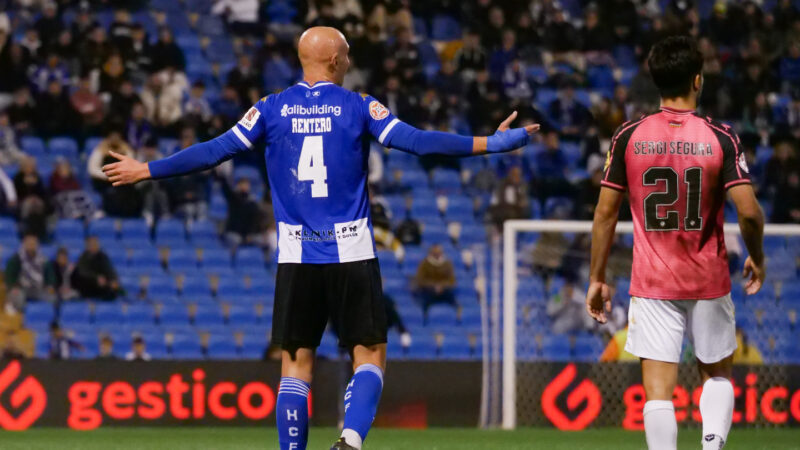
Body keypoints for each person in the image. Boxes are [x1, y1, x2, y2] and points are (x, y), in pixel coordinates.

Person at [101, 26, 537, 450]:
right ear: (334, 60)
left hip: (296, 256)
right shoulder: (359, 106)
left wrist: (147, 168)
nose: (349, 61)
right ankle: (350, 440)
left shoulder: (270, 108)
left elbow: (214, 150)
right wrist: (491, 143)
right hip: (351, 250)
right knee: (369, 355)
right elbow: (420, 143)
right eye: (346, 54)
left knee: (295, 365)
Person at [585, 37, 765, 450]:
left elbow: (605, 214)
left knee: (658, 390)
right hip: (709, 278)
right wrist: (757, 257)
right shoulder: (721, 136)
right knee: (717, 374)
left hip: (652, 282)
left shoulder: (628, 136)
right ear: (697, 81)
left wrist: (597, 278)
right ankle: (712, 444)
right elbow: (750, 213)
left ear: (655, 81)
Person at [4, 234, 55, 314]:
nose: (31, 246)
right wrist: (14, 286)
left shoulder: (44, 260)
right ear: (24, 244)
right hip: (21, 288)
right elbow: (10, 276)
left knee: (51, 297)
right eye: (29, 244)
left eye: (33, 244)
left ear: (37, 245)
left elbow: (50, 277)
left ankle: (45, 318)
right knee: (17, 295)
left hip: (38, 288)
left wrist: (49, 286)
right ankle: (20, 318)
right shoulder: (16, 259)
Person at [414, 244, 458, 322]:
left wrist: (442, 286)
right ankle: (425, 319)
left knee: (454, 300)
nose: (437, 253)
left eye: (439, 252)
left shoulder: (447, 264)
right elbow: (420, 280)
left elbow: (452, 281)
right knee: (424, 300)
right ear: (431, 252)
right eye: (435, 252)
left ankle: (457, 318)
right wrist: (434, 286)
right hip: (429, 291)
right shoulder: (424, 263)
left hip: (444, 291)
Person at [71, 236, 121, 300]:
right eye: (91, 244)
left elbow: (109, 270)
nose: (94, 245)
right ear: (87, 246)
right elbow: (82, 271)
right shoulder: (83, 257)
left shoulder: (103, 256)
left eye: (95, 243)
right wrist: (96, 277)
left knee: (114, 288)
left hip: (102, 286)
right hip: (88, 287)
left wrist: (113, 280)